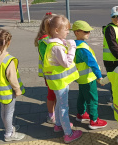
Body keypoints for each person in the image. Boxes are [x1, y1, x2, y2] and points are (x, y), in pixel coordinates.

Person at [42, 15, 82, 143]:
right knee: (64, 107)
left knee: (59, 104)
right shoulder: (57, 47)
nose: (68, 32)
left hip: (57, 82)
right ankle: (68, 134)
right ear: (57, 31)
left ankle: (59, 125)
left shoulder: (53, 43)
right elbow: (66, 63)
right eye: (66, 29)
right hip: (60, 83)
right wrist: (72, 48)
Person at [0, 28, 25, 142]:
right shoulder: (8, 60)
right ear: (8, 42)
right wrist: (17, 90)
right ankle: (9, 134)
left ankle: (9, 127)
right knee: (9, 112)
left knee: (3, 111)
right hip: (8, 91)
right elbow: (12, 79)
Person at [72, 20, 108, 129]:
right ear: (77, 32)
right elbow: (93, 64)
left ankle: (81, 114)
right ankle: (94, 120)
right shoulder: (83, 49)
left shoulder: (74, 45)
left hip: (81, 78)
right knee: (92, 99)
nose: (89, 33)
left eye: (89, 31)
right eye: (86, 31)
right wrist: (100, 77)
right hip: (89, 78)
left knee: (82, 97)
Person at [34, 12, 57, 124]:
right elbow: (50, 58)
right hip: (50, 73)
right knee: (51, 94)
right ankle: (51, 115)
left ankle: (55, 111)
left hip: (52, 72)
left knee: (54, 93)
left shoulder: (49, 39)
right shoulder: (45, 41)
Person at [103, 6, 118, 73]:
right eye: (113, 16)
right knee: (114, 80)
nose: (116, 19)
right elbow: (113, 45)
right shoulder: (110, 29)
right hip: (111, 61)